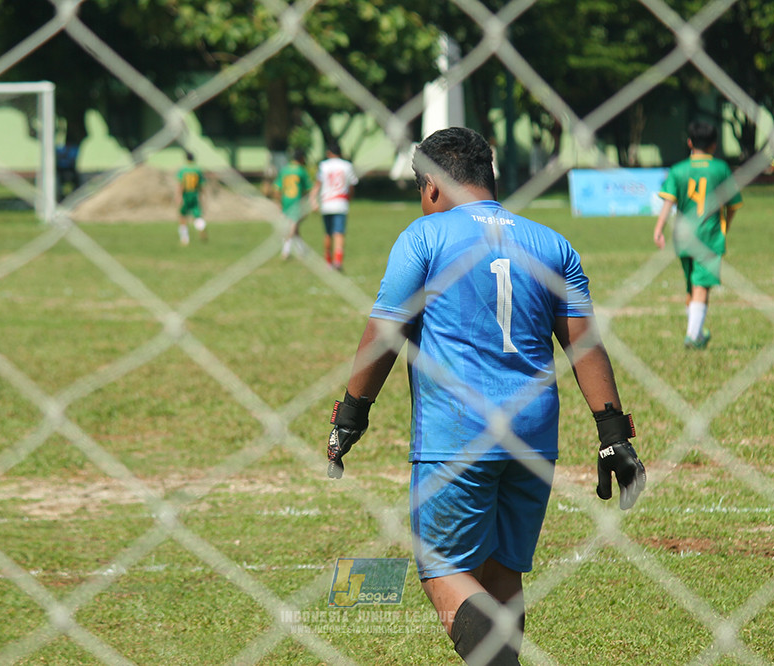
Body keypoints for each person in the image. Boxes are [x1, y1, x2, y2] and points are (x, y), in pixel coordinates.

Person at [325, 127, 646, 665]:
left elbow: (385, 332)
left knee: (444, 570)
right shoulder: (550, 242)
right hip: (534, 436)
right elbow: (583, 342)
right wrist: (612, 432)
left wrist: (350, 415)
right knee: (501, 573)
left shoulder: (425, 238)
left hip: (457, 434)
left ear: (431, 187)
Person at [653, 121, 743, 350]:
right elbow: (733, 204)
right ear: (715, 144)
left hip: (683, 236)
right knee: (701, 287)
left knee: (691, 287)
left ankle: (697, 332)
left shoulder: (678, 169)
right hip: (710, 236)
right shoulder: (721, 169)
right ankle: (693, 336)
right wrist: (725, 227)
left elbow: (669, 201)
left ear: (690, 142)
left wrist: (659, 227)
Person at [310, 142, 358, 270]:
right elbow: (351, 185)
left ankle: (327, 260)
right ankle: (338, 261)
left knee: (327, 233)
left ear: (329, 153)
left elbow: (318, 184)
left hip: (326, 202)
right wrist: (349, 198)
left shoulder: (323, 165)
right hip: (341, 202)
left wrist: (313, 199)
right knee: (339, 233)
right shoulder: (347, 166)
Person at [275, 148, 313, 259]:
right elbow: (308, 188)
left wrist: (279, 201)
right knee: (293, 225)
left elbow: (277, 188)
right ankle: (286, 250)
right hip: (296, 200)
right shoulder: (301, 171)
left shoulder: (285, 170)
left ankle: (302, 250)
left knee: (293, 226)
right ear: (302, 159)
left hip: (285, 200)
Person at [176, 151, 207, 245]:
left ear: (186, 158)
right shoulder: (197, 170)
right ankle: (202, 232)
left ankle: (184, 238)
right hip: (195, 194)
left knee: (182, 216)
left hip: (186, 195)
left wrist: (179, 196)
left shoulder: (183, 170)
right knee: (197, 215)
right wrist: (203, 196)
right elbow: (201, 185)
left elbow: (181, 184)